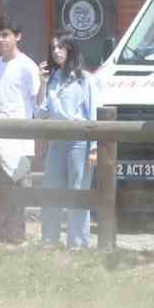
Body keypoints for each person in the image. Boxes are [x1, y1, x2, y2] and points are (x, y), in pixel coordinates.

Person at [35, 33, 97, 250]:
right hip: (56, 141)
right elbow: (40, 114)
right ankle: (49, 240)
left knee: (77, 190)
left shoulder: (86, 79)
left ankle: (78, 243)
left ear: (71, 50)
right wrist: (42, 84)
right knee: (51, 189)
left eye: (61, 48)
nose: (56, 52)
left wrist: (94, 149)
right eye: (53, 49)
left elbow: (93, 114)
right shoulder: (52, 79)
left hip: (80, 142)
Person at [0, 17, 41, 246]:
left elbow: (38, 100)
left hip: (20, 136)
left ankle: (17, 236)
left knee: (19, 186)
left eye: (6, 35)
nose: (1, 40)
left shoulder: (28, 66)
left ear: (17, 36)